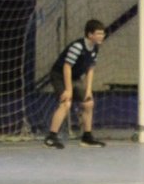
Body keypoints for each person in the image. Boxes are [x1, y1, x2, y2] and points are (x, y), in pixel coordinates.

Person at [44, 19, 106, 149]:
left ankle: (87, 137)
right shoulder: (77, 47)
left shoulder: (95, 48)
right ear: (90, 35)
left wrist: (88, 90)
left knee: (88, 103)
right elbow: (67, 67)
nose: (102, 36)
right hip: (59, 75)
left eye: (102, 33)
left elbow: (90, 70)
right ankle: (51, 138)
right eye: (99, 33)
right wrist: (68, 90)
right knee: (66, 103)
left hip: (75, 77)